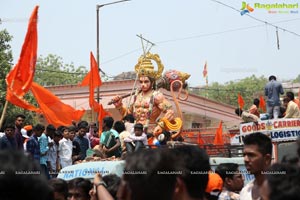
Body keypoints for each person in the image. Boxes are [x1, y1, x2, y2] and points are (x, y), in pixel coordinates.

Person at [112, 53, 175, 134]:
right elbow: (128, 115)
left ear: (152, 82)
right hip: (135, 131)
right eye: (141, 82)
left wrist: (161, 125)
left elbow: (170, 112)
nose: (143, 84)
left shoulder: (157, 96)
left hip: (151, 131)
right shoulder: (136, 96)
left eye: (146, 82)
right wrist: (119, 106)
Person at [240, 132, 272, 200]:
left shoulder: (281, 190)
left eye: (251, 155)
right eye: (244, 155)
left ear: (267, 159)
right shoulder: (245, 191)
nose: (245, 159)